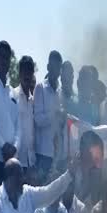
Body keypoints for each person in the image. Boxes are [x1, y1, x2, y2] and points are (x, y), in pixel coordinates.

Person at [0, 41, 19, 192]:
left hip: (11, 159)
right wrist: (3, 145)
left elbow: (18, 125)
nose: (4, 61)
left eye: (7, 58)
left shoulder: (12, 92)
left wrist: (14, 147)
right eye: (2, 57)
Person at [33, 51, 65, 183]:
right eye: (52, 67)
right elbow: (38, 120)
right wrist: (54, 114)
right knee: (42, 191)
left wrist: (62, 118)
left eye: (58, 68)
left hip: (57, 155)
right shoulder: (40, 88)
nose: (55, 71)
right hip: (43, 153)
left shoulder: (60, 92)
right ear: (48, 67)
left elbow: (60, 125)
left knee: (54, 196)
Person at [15, 56, 37, 173]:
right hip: (17, 159)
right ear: (20, 73)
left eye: (30, 71)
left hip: (31, 161)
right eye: (25, 71)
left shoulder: (34, 101)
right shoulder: (13, 96)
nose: (27, 75)